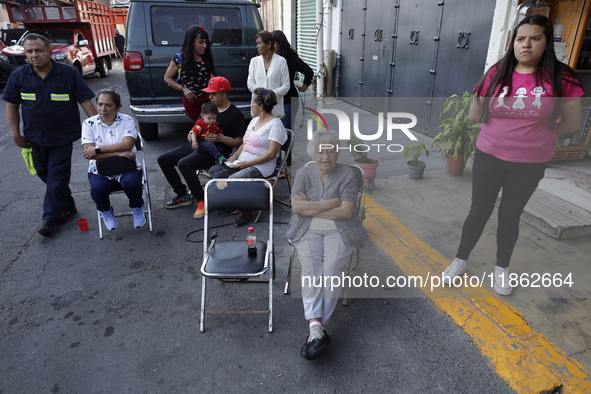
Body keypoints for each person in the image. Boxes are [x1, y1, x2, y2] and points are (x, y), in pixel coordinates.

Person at [442, 15, 584, 296]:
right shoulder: (497, 72)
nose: (526, 45)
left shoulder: (561, 76)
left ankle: (501, 268)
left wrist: (532, 137)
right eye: (521, 39)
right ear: (513, 43)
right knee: (478, 212)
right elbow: (474, 114)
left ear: (546, 43)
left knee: (510, 216)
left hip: (530, 163)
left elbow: (571, 123)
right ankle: (460, 260)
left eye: (535, 38)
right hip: (489, 156)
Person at [3, 33, 97, 237]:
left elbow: (86, 101)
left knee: (57, 175)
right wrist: (15, 134)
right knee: (45, 174)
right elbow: (12, 106)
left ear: (49, 52)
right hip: (34, 137)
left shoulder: (68, 73)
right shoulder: (18, 76)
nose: (34, 55)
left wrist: (99, 130)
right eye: (29, 51)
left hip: (62, 137)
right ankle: (69, 207)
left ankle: (50, 218)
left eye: (39, 50)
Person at [290, 129, 367, 360]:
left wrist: (313, 206)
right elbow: (296, 208)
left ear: (337, 153)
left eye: (331, 151)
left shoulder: (347, 175)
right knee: (312, 268)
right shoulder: (304, 173)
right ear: (313, 153)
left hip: (340, 232)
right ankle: (317, 329)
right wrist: (331, 202)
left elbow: (346, 212)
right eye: (320, 151)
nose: (325, 157)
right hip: (306, 230)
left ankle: (315, 330)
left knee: (331, 270)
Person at [157, 76, 246, 219]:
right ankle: (183, 195)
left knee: (184, 164)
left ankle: (201, 199)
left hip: (216, 152)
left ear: (223, 95)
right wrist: (190, 134)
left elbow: (240, 141)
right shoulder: (208, 108)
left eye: (213, 94)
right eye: (209, 93)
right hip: (198, 145)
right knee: (163, 159)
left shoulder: (235, 114)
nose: (209, 96)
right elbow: (197, 127)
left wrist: (220, 138)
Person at [208, 88, 287, 227]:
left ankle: (246, 209)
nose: (250, 105)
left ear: (261, 106)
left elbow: (272, 154)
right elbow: (245, 143)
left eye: (252, 102)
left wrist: (247, 164)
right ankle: (235, 201)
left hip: (261, 165)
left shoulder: (276, 125)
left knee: (233, 180)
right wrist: (233, 157)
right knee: (214, 172)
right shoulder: (254, 120)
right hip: (243, 161)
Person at [81, 89, 145, 231]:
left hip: (126, 167)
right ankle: (105, 211)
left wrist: (98, 150)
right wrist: (118, 152)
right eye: (100, 104)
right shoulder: (88, 123)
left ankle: (137, 206)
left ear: (117, 107)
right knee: (97, 188)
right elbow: (89, 154)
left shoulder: (127, 120)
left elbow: (128, 145)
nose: (103, 109)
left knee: (132, 182)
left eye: (108, 105)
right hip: (99, 169)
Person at [163, 25, 215, 123]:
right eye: (200, 42)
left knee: (211, 126)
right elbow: (167, 78)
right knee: (202, 126)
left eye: (206, 42)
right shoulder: (180, 58)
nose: (204, 45)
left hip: (208, 100)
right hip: (192, 102)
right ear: (191, 42)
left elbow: (212, 77)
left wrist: (214, 94)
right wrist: (184, 89)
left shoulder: (205, 57)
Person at [271, 30, 313, 130]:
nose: (270, 46)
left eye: (273, 43)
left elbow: (309, 72)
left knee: (286, 132)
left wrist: (303, 88)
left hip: (288, 101)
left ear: (280, 44)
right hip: (274, 101)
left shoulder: (291, 58)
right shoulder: (270, 58)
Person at [247, 30, 290, 119]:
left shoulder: (281, 61)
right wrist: (262, 94)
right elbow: (250, 83)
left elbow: (286, 85)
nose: (257, 46)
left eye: (259, 43)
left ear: (269, 44)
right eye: (257, 43)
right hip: (258, 110)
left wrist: (271, 94)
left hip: (275, 111)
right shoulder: (254, 61)